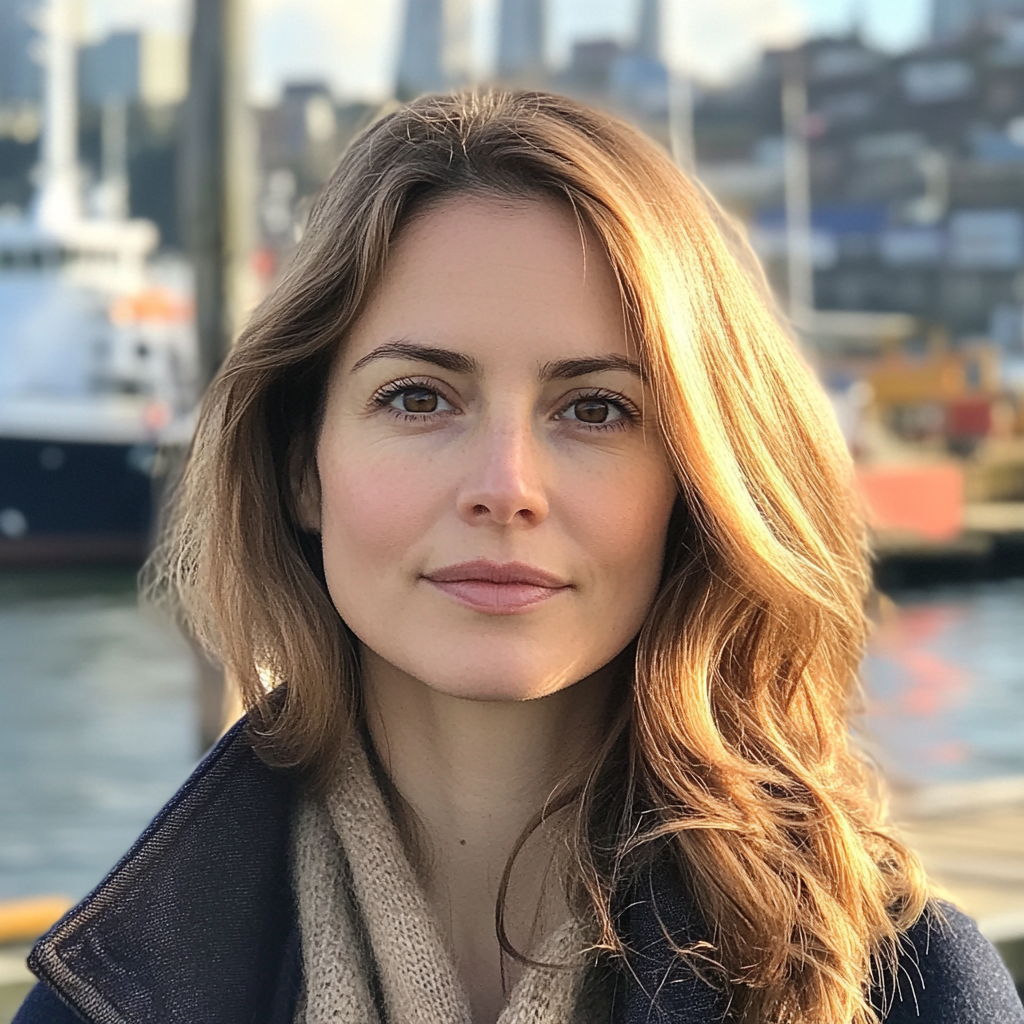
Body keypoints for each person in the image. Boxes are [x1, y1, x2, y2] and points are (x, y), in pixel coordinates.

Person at [15, 91, 1023, 1024]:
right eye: (418, 397)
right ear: (299, 468)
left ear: (695, 482)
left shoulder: (903, 989)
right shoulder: (105, 997)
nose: (504, 484)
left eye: (595, 408)